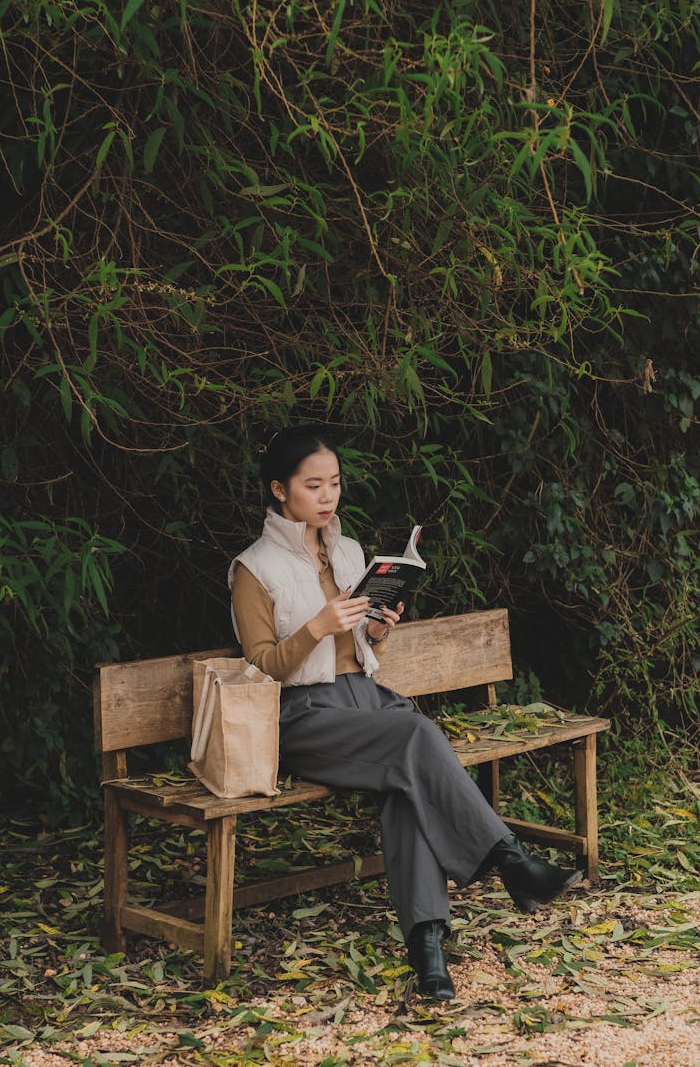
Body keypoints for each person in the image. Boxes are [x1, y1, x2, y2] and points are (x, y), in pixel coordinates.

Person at [228, 425, 581, 1001]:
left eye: (334, 484)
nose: (327, 496)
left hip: (366, 701)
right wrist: (318, 625)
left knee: (406, 790)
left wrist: (375, 632)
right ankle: (509, 860)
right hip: (302, 716)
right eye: (312, 485)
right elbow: (261, 667)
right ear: (278, 490)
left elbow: (358, 649)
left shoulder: (346, 551)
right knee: (416, 736)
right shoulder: (254, 569)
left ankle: (428, 953)